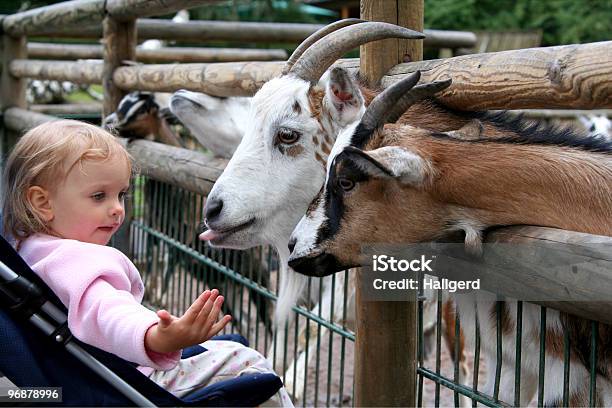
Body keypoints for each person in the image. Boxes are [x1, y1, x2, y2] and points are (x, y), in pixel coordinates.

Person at [1, 119, 293, 406]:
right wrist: (156, 336)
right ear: (43, 203)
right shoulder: (76, 261)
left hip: (84, 375)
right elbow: (107, 312)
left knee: (222, 348)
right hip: (134, 379)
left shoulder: (23, 251)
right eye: (99, 196)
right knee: (248, 362)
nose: (117, 209)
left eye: (122, 195)